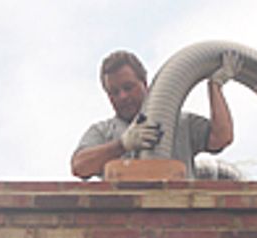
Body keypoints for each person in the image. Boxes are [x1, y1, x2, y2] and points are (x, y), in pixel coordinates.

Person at [71, 50, 242, 179]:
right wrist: (121, 145)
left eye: (128, 87)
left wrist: (215, 86)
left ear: (145, 83)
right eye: (114, 92)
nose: (122, 96)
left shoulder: (180, 122)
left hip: (180, 220)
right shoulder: (103, 131)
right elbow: (79, 166)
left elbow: (222, 137)